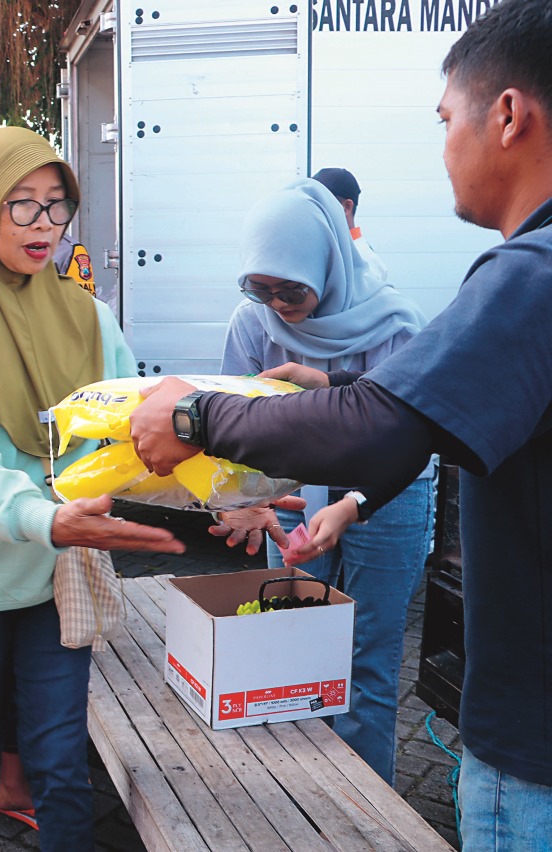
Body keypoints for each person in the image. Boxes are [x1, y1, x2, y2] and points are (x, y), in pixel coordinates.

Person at [128, 2, 552, 844]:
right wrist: (349, 503)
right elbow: (420, 426)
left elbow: (379, 422)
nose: (442, 149)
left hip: (534, 743)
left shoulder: (530, 276)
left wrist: (192, 414)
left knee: (367, 665)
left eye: (444, 121)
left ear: (506, 114)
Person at [0, 126, 187, 849]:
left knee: (57, 757)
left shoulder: (87, 315)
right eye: (21, 204)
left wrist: (239, 492)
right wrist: (41, 518)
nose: (43, 223)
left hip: (56, 572)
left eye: (56, 206)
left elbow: (132, 435)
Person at [219, 178, 432, 783]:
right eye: (259, 287)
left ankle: (367, 817)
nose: (278, 303)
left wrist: (354, 502)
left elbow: (406, 438)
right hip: (288, 495)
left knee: (368, 658)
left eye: (292, 287)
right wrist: (247, 503)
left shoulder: (394, 323)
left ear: (328, 262)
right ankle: (295, 799)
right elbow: (230, 422)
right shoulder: (251, 322)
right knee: (286, 648)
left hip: (388, 494)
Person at [311, 167, 389, 283]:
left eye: (321, 204)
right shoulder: (332, 252)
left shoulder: (365, 262)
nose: (312, 211)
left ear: (347, 207)